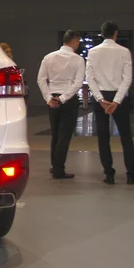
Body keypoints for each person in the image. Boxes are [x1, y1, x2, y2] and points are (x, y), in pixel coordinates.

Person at [86, 21, 134, 185]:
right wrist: (117, 100)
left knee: (103, 138)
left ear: (102, 34)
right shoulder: (124, 52)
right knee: (126, 137)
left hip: (101, 97)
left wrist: (100, 99)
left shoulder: (92, 52)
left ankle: (109, 174)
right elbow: (127, 79)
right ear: (116, 33)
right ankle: (131, 174)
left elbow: (89, 78)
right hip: (119, 96)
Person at [37, 30, 85, 179]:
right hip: (68, 101)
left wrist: (49, 98)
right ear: (74, 41)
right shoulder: (78, 59)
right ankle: (59, 169)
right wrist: (63, 98)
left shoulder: (48, 57)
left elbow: (41, 79)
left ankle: (55, 165)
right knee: (64, 136)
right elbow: (77, 84)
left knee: (55, 135)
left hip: (52, 99)